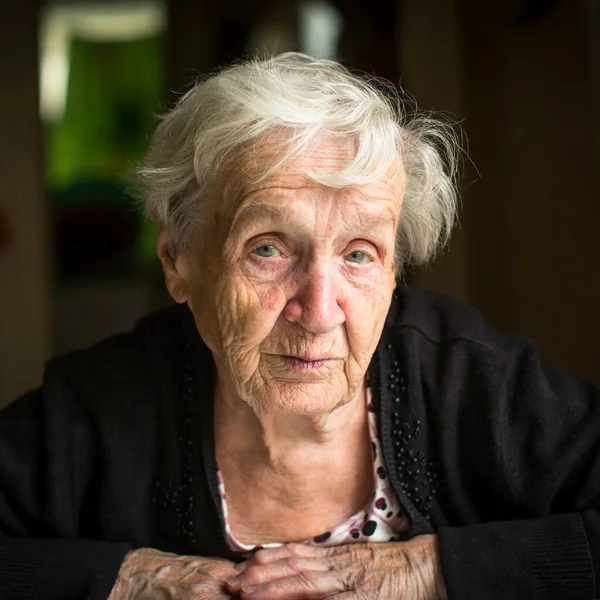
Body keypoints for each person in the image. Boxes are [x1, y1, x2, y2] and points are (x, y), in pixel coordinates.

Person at [1, 52, 599, 600]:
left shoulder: (471, 379)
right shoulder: (96, 408)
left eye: (359, 253)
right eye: (267, 249)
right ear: (176, 259)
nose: (318, 311)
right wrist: (128, 581)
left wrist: (432, 571)